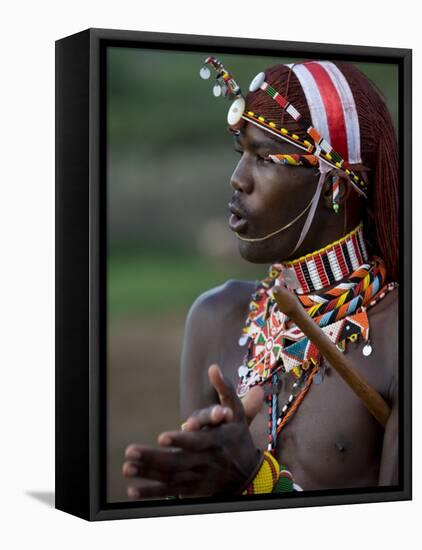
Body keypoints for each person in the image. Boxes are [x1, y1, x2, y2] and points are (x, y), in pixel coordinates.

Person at [122, 58, 399, 499]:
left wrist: (256, 479)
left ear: (336, 187)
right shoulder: (215, 317)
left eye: (265, 159)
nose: (238, 180)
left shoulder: (398, 340)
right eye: (242, 155)